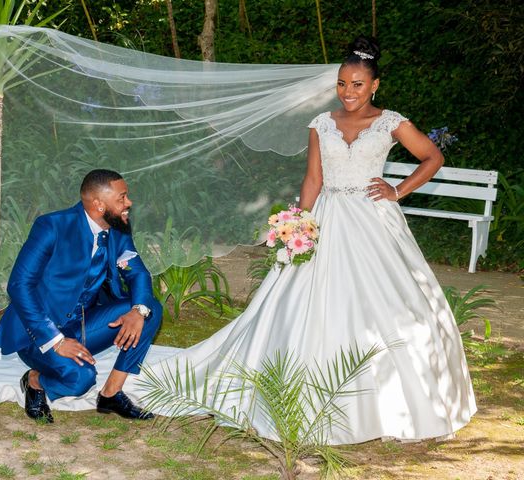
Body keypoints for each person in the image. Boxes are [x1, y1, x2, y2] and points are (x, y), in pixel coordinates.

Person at [127, 36, 476, 444]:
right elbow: (313, 178)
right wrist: (299, 223)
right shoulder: (322, 123)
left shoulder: (391, 122)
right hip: (326, 217)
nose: (349, 92)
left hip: (372, 221)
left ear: (375, 86)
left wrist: (398, 190)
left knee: (383, 300)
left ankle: (386, 399)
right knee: (302, 297)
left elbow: (433, 157)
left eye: (358, 84)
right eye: (343, 83)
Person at [0, 169, 162, 423]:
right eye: (122, 198)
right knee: (80, 379)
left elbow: (137, 272)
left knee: (150, 309)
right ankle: (35, 380)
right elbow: (19, 285)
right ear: (99, 205)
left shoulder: (119, 230)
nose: (129, 203)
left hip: (83, 324)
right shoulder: (52, 226)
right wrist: (57, 341)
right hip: (38, 334)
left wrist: (138, 311)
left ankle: (111, 394)